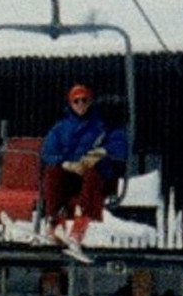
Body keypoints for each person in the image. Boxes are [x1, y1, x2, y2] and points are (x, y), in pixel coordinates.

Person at [40, 84, 128, 251]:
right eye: (76, 101)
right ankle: (55, 222)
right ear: (70, 104)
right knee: (53, 174)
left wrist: (101, 152)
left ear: (90, 102)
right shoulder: (60, 128)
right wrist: (64, 162)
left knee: (92, 176)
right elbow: (47, 151)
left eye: (84, 100)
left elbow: (119, 144)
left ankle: (79, 229)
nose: (80, 104)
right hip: (69, 172)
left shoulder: (102, 126)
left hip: (92, 173)